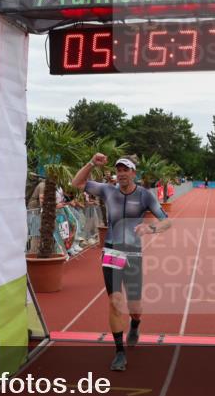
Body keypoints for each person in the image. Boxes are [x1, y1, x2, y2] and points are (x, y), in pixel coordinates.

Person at [71, 154, 171, 372]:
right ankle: (119, 352)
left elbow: (167, 221)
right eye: (119, 170)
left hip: (134, 254)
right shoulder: (108, 190)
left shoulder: (145, 195)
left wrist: (149, 228)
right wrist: (90, 163)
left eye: (126, 170)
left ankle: (135, 324)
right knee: (115, 301)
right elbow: (76, 183)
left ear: (133, 173)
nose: (122, 173)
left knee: (135, 307)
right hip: (112, 251)